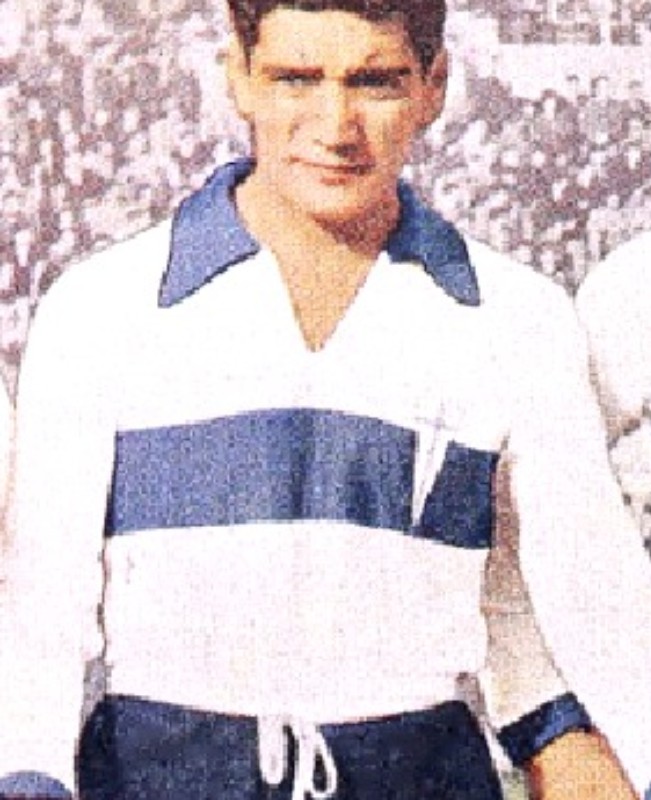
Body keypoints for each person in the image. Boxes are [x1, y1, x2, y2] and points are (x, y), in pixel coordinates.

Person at [0, 1, 650, 798]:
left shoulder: (518, 319)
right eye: (295, 79)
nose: (335, 125)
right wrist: (30, 777)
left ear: (434, 85)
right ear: (238, 77)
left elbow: (593, 599)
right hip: (161, 771)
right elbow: (40, 611)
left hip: (418, 772)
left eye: (374, 82)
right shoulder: (101, 307)